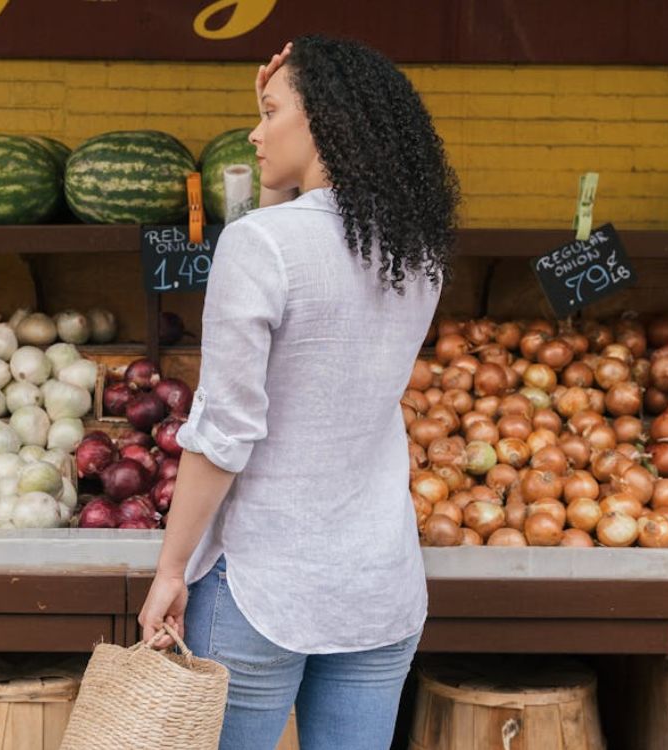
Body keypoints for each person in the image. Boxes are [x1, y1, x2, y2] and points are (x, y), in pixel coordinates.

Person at [138, 34, 460, 750]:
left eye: (271, 112)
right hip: (379, 585)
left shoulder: (258, 246)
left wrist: (169, 570)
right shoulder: (417, 253)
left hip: (264, 584)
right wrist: (284, 147)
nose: (254, 131)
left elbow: (225, 431)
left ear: (324, 125)